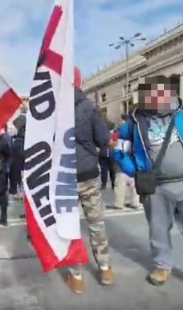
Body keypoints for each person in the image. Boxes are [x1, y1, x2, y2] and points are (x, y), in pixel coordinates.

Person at [114, 75, 183, 298]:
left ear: (170, 93)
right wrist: (134, 170)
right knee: (158, 229)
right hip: (156, 187)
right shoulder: (134, 121)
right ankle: (162, 266)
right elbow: (119, 150)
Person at [65, 79, 115, 293]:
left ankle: (76, 276)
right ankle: (104, 269)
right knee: (96, 223)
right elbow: (104, 139)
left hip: (63, 179)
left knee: (69, 227)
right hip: (88, 173)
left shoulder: (54, 110)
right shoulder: (88, 108)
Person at [111, 114, 140, 209]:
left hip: (124, 157)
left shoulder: (125, 128)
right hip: (135, 159)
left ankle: (119, 203)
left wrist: (117, 157)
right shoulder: (140, 126)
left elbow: (118, 147)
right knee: (134, 182)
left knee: (120, 181)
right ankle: (135, 202)